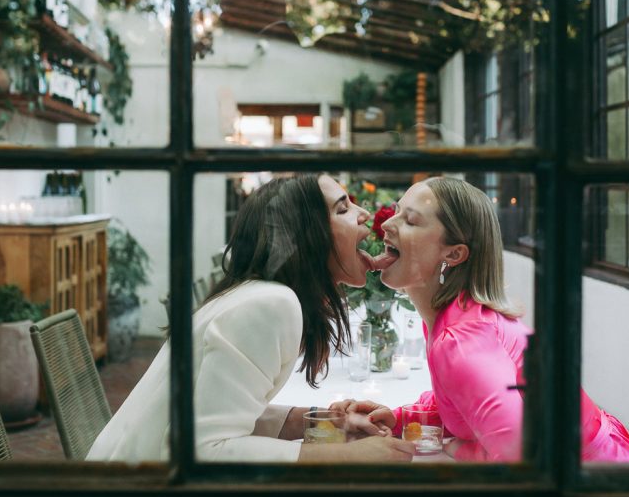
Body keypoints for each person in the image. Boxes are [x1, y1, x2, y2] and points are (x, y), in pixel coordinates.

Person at [87, 175, 413, 464]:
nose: (365, 215)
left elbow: (223, 416)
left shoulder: (257, 294)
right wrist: (345, 456)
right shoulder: (271, 304)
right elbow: (205, 451)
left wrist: (326, 422)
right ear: (305, 236)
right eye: (342, 209)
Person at [354, 176, 629, 463]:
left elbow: (520, 457)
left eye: (410, 220)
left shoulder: (461, 341)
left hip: (589, 484)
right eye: (396, 212)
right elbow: (463, 399)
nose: (387, 225)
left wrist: (457, 448)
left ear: (455, 254)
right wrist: (403, 418)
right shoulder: (452, 317)